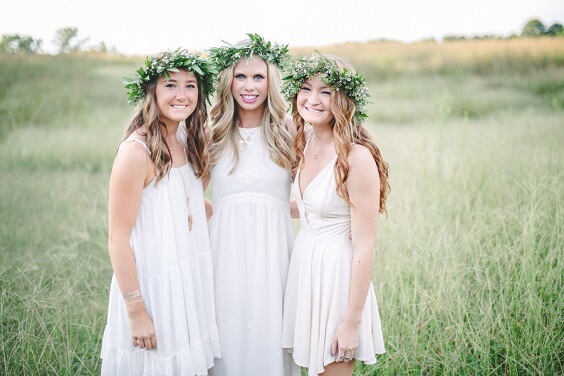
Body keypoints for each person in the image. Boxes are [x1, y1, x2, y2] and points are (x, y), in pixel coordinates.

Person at [100, 49, 221, 376]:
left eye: (191, 85)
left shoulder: (189, 137)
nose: (182, 95)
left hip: (188, 276)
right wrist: (136, 311)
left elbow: (190, 204)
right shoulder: (135, 152)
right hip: (155, 285)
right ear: (151, 91)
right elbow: (118, 238)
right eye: (171, 85)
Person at [281, 53, 390, 376]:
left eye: (325, 92)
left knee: (333, 369)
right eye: (305, 88)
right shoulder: (305, 141)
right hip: (306, 266)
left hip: (337, 274)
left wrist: (351, 321)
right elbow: (313, 208)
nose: (312, 99)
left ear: (343, 99)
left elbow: (365, 244)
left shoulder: (356, 158)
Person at [206, 34, 299, 376]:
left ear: (270, 81)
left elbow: (310, 194)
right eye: (241, 76)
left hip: (275, 250)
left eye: (258, 77)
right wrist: (224, 215)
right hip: (223, 251)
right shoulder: (212, 130)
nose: (249, 86)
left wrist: (272, 209)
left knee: (270, 332)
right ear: (228, 81)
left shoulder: (288, 128)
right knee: (227, 332)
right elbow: (188, 194)